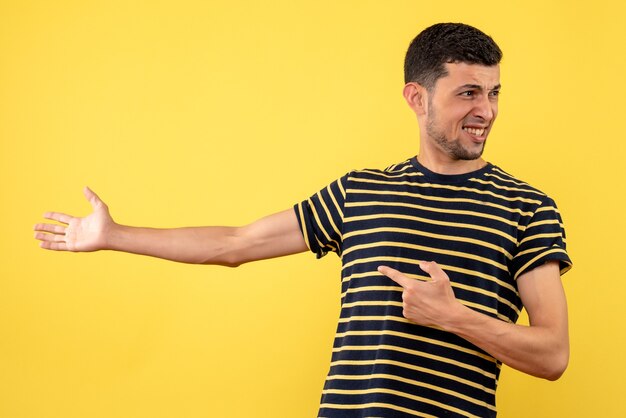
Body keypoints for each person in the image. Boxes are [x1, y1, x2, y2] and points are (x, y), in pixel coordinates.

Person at [34, 23, 572, 418]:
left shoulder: (527, 208)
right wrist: (114, 235)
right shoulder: (361, 192)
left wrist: (454, 316)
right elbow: (236, 243)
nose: (487, 110)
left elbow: (553, 354)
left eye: (494, 92)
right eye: (469, 93)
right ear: (417, 97)